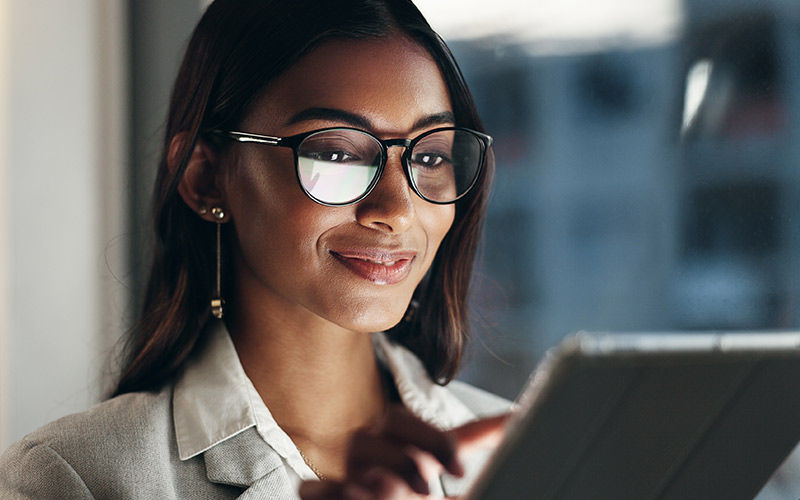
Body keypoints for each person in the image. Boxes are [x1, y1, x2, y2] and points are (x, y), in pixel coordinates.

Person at [0, 0, 510, 498]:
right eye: (335, 154)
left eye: (430, 156)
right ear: (206, 179)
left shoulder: (521, 451)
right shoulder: (75, 477)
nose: (397, 209)